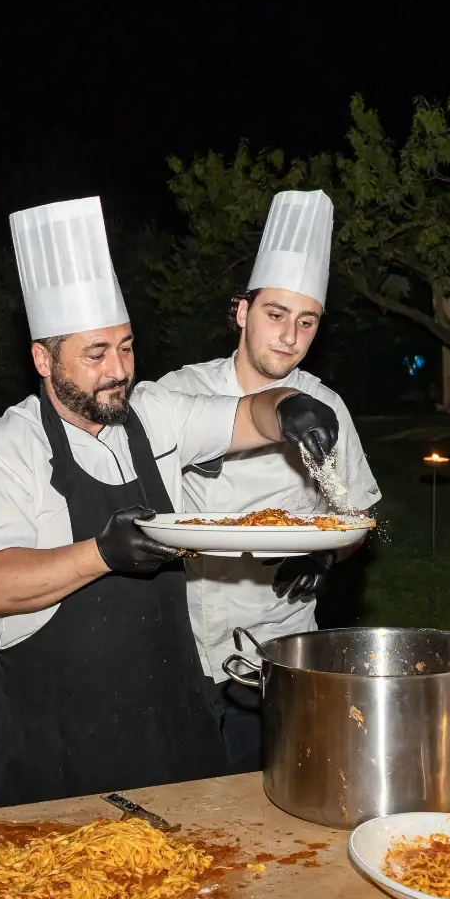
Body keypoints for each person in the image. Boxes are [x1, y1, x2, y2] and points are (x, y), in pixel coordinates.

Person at [0, 196, 343, 807]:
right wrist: (103, 552)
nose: (119, 370)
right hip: (59, 736)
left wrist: (286, 405)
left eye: (127, 346)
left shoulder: (151, 416)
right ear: (42, 358)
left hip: (173, 717)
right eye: (95, 353)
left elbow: (246, 416)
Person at [159, 190, 381, 773]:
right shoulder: (178, 395)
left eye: (305, 323)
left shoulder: (327, 407)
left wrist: (329, 555)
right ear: (242, 312)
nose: (289, 336)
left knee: (273, 810)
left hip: (277, 648)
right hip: (181, 645)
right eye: (275, 315)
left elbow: (357, 516)